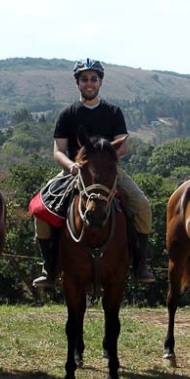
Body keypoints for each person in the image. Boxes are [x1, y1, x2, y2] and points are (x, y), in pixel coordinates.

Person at [32, 58, 156, 286]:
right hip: (75, 171)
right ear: (77, 82)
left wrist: (104, 161)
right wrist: (71, 166)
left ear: (100, 82)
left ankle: (141, 264)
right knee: (41, 209)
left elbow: (122, 145)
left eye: (93, 79)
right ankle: (49, 267)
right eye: (84, 79)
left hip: (108, 172)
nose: (89, 83)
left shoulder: (113, 112)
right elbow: (58, 151)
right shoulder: (67, 114)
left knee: (142, 206)